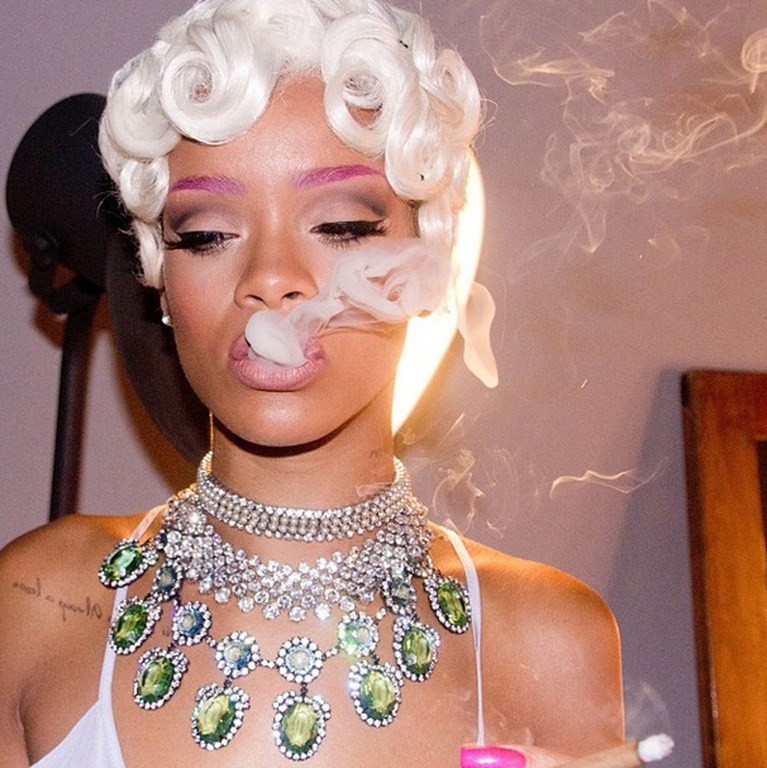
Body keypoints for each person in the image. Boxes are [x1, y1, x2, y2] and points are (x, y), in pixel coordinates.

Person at [0, 1, 624, 766]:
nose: (271, 278)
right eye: (206, 234)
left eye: (340, 226)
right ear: (158, 276)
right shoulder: (36, 603)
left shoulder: (547, 638)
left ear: (428, 259)